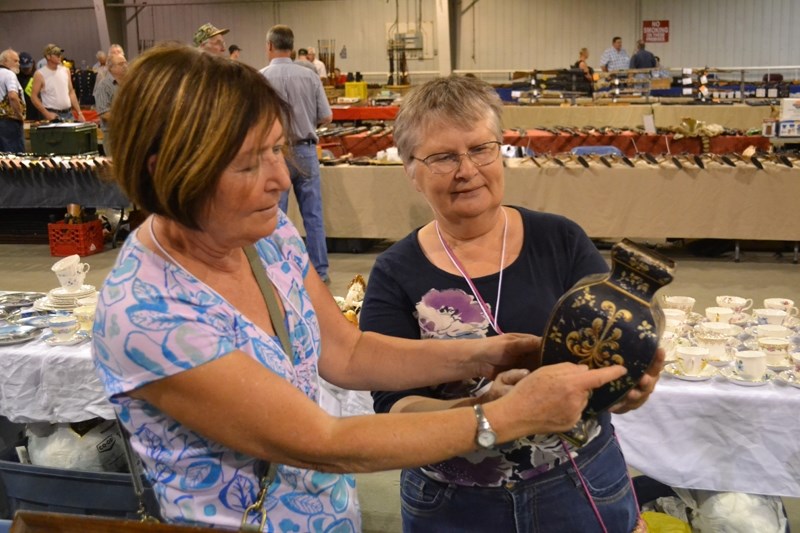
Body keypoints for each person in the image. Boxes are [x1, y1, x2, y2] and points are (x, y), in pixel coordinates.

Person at [92, 43, 626, 531]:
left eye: (278, 150)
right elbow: (325, 444)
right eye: (249, 163)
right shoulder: (147, 314)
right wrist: (510, 415)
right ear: (168, 171)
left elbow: (347, 352)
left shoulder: (263, 234)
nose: (281, 180)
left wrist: (492, 351)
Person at [359, 75, 663, 533]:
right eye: (443, 157)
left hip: (576, 482)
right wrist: (486, 414)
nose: (467, 170)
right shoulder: (395, 271)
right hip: (454, 500)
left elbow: (614, 339)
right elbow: (394, 407)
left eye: (481, 148)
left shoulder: (558, 239)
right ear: (409, 170)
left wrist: (625, 389)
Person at [261, 25, 331, 283]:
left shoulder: (261, 78)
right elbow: (326, 115)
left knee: (273, 215)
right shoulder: (309, 75)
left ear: (269, 46)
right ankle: (320, 272)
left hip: (275, 153)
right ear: (292, 46)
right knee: (313, 215)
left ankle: (276, 269)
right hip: (305, 150)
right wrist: (307, 123)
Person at [30, 44, 84, 122]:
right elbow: (34, 97)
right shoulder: (40, 74)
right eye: (56, 54)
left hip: (69, 113)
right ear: (48, 56)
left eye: (60, 53)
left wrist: (79, 113)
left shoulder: (65, 70)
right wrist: (46, 113)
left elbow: (71, 92)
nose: (59, 56)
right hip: (53, 114)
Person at [93, 53, 127, 155]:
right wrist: (126, 120)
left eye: (125, 62)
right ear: (111, 68)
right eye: (121, 64)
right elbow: (104, 113)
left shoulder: (129, 83)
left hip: (128, 133)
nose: (125, 66)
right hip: (113, 134)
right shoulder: (104, 86)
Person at [0, 49, 25, 153]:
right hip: (9, 122)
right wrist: (20, 116)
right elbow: (13, 96)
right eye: (15, 61)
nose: (18, 64)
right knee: (15, 158)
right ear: (5, 61)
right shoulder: (9, 74)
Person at [16, 52, 41, 121]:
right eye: (24, 68)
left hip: (38, 114)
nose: (27, 70)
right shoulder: (15, 78)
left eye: (28, 67)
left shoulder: (38, 76)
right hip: (23, 114)